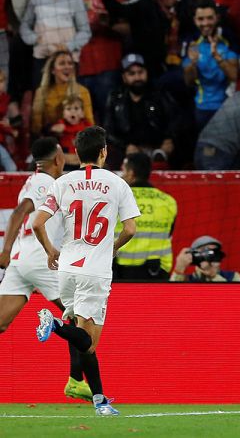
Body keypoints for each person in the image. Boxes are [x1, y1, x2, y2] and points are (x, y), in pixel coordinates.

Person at [33, 126, 140, 416]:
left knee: (82, 339)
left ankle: (98, 399)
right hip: (95, 270)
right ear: (104, 151)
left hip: (66, 268)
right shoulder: (117, 184)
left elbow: (36, 222)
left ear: (76, 153)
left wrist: (50, 251)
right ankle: (54, 324)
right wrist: (114, 247)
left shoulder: (63, 182)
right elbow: (130, 228)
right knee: (88, 342)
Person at [0, 138, 91, 403]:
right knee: (78, 316)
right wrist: (4, 250)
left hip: (22, 259)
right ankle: (76, 381)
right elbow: (19, 213)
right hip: (39, 259)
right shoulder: (45, 183)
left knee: (1, 322)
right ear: (58, 159)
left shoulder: (36, 180)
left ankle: (76, 381)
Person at [20, 0, 91, 88]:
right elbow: (24, 27)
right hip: (42, 60)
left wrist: (68, 46)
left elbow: (85, 31)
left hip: (67, 61)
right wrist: (35, 39)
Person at [103, 54, 181, 168]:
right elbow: (108, 131)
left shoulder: (159, 94)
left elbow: (176, 120)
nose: (137, 77)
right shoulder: (115, 98)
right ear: (124, 77)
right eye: (132, 74)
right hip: (127, 153)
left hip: (157, 150)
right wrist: (126, 147)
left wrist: (169, 139)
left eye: (140, 72)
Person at [76, 0, 127, 122]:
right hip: (78, 69)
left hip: (108, 68)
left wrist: (108, 24)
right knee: (84, 122)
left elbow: (128, 28)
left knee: (110, 119)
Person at [113, 152, 177, 281]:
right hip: (157, 271)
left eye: (123, 170)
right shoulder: (168, 201)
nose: (122, 174)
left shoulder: (118, 199)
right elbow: (169, 233)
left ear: (131, 173)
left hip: (122, 270)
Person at [183, 0, 239, 128]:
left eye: (209, 18)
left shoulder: (228, 40)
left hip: (227, 106)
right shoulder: (191, 44)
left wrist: (217, 57)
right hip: (203, 107)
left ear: (217, 18)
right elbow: (189, 82)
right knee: (206, 146)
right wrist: (192, 63)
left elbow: (234, 76)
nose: (205, 23)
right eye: (201, 19)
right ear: (194, 20)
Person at [31, 50, 94, 137]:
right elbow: (36, 127)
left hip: (77, 141)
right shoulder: (41, 93)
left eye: (70, 63)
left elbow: (90, 124)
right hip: (51, 141)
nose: (67, 67)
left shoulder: (82, 91)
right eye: (62, 63)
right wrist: (50, 129)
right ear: (52, 70)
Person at [169, 236, 240, 282]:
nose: (210, 256)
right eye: (205, 251)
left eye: (215, 252)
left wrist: (214, 277)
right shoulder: (185, 280)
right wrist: (178, 270)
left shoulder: (233, 277)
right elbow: (170, 300)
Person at [49, 95, 91, 166]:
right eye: (68, 109)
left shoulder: (88, 127)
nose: (72, 112)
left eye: (76, 108)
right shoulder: (59, 127)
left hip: (83, 164)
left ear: (82, 113)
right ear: (63, 114)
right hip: (64, 164)